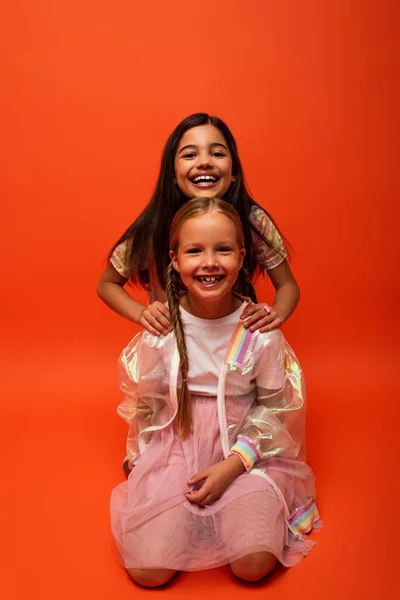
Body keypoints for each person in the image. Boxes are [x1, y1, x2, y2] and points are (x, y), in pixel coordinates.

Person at [110, 197, 320, 587]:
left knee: (252, 565)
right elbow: (145, 402)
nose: (209, 262)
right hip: (177, 443)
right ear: (173, 259)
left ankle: (238, 509)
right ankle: (185, 513)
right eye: (195, 251)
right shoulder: (160, 330)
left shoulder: (260, 332)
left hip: (246, 451)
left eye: (223, 249)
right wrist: (138, 455)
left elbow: (279, 411)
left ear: (242, 257)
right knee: (148, 570)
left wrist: (233, 465)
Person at [97, 112, 300, 339]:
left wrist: (275, 314)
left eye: (217, 153)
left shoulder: (252, 220)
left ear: (233, 172)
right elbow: (107, 284)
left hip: (234, 349)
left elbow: (288, 286)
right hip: (175, 347)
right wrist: (142, 313)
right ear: (172, 174)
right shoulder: (156, 225)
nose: (204, 162)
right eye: (190, 155)